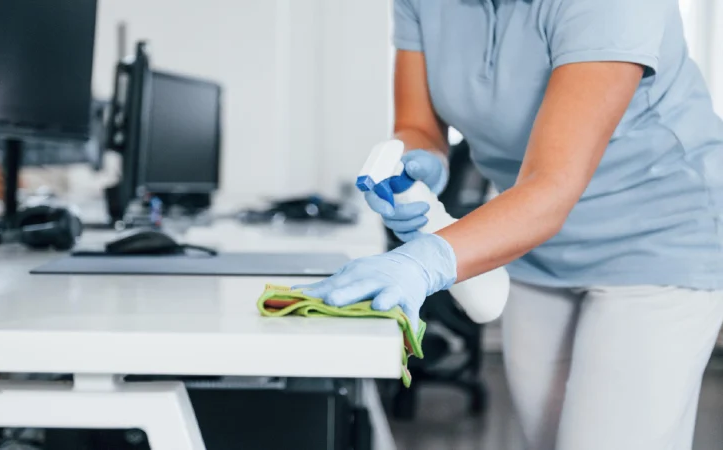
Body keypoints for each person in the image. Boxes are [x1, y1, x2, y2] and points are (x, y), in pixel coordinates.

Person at [299, 1, 723, 449]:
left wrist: (426, 261)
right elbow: (418, 124)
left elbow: (552, 185)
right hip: (531, 245)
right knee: (549, 438)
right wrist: (415, 163)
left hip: (658, 240)